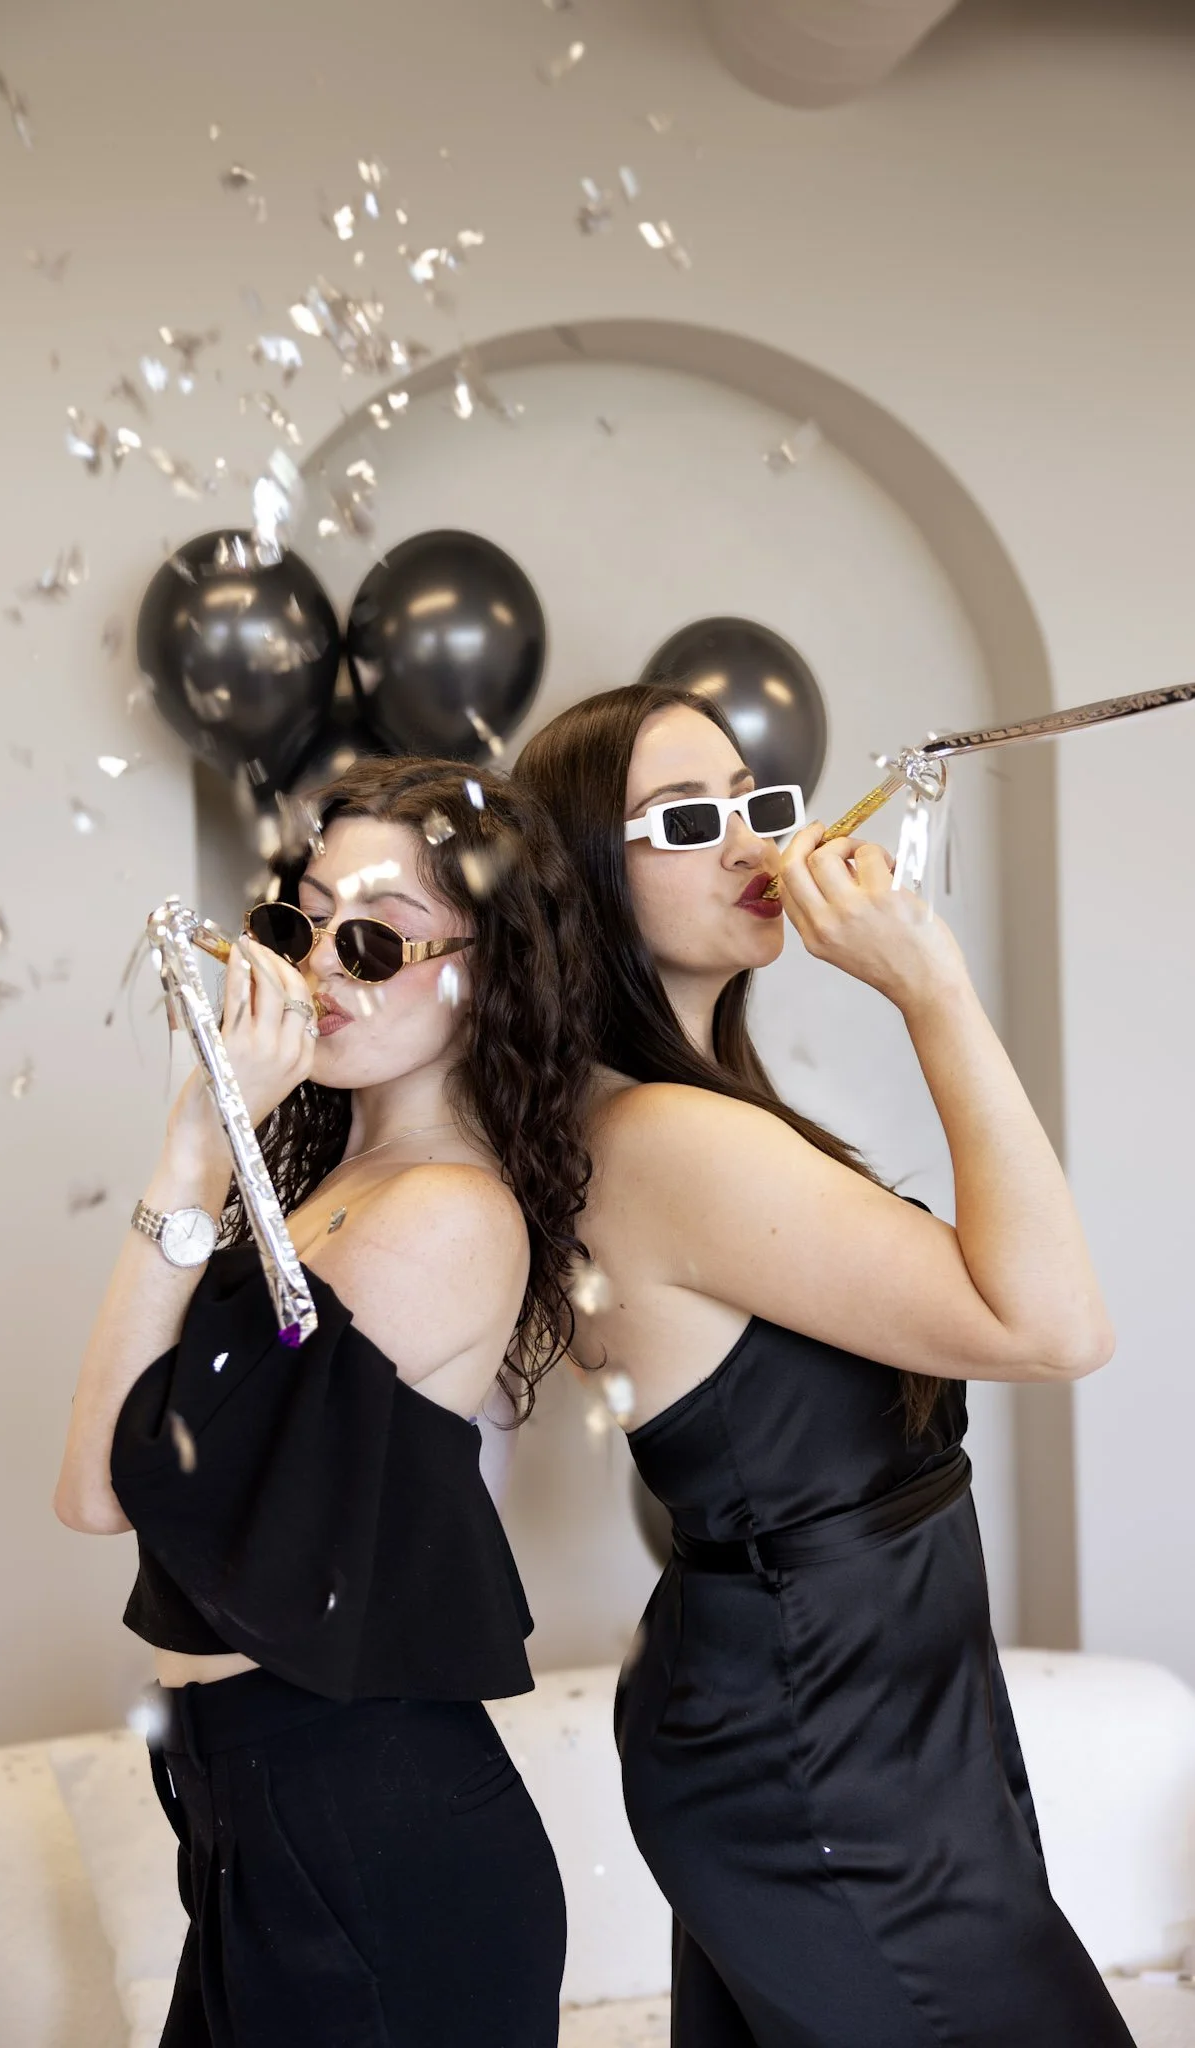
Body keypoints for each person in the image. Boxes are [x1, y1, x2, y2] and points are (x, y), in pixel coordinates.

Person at [513, 682, 1134, 2048]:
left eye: (756, 800)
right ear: (579, 884)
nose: (749, 843)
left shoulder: (668, 1113)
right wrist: (937, 991)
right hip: (816, 1725)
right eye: (686, 819)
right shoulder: (668, 1140)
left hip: (843, 1699)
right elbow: (1055, 1326)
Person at [54, 757, 596, 2048]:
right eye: (303, 920)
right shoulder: (329, 1198)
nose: (324, 968)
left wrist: (196, 1144)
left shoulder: (447, 1214)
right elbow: (102, 1473)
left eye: (380, 938)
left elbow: (99, 1488)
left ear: (495, 969)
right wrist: (208, 1145)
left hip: (369, 1836)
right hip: (256, 1820)